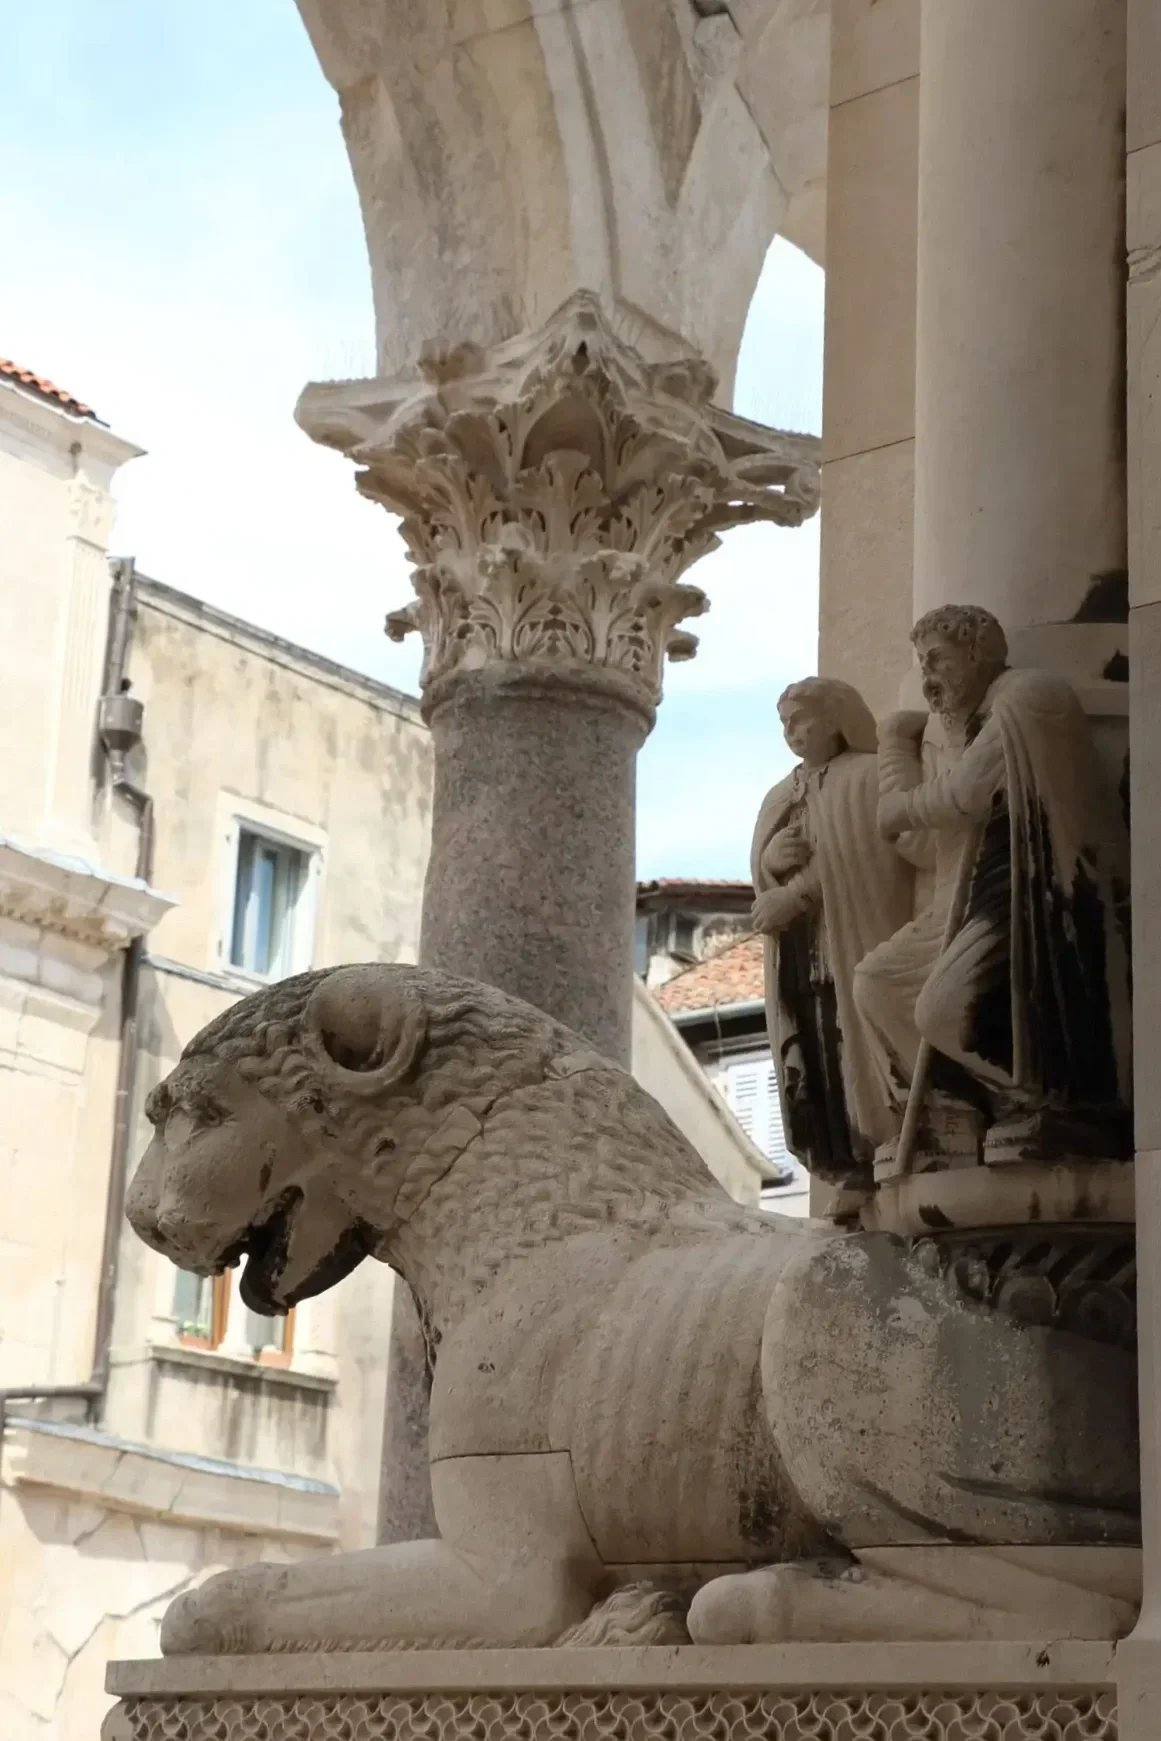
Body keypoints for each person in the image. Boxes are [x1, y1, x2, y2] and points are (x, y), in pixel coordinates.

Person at [853, 604, 1132, 1162]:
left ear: (977, 650)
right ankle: (962, 1111)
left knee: (941, 1007)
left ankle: (1057, 1103)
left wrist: (896, 796)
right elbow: (931, 845)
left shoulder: (1026, 699)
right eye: (922, 665)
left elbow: (963, 796)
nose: (928, 678)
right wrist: (896, 757)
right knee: (876, 982)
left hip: (1038, 892)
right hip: (977, 891)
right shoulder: (967, 729)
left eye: (937, 659)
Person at [750, 678, 914, 1189]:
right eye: (785, 724)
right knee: (817, 1051)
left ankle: (885, 1140)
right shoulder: (781, 794)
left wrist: (794, 894)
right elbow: (763, 868)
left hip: (853, 932)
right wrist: (768, 863)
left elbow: (865, 853)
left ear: (836, 718)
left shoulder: (865, 778)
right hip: (803, 951)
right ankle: (843, 1164)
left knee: (854, 1041)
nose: (793, 732)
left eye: (801, 719)